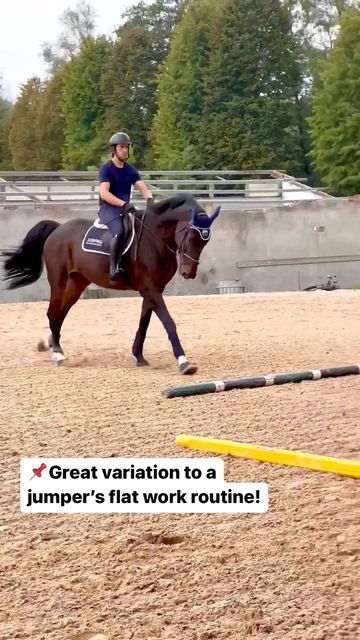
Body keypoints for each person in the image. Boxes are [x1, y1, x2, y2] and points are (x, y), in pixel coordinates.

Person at [98, 132, 153, 280]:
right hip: (108, 209)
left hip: (124, 209)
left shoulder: (130, 170)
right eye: (122, 147)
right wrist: (123, 203)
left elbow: (142, 187)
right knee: (120, 232)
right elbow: (104, 193)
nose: (125, 150)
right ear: (114, 150)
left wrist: (150, 200)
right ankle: (113, 268)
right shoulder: (107, 169)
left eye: (127, 147)